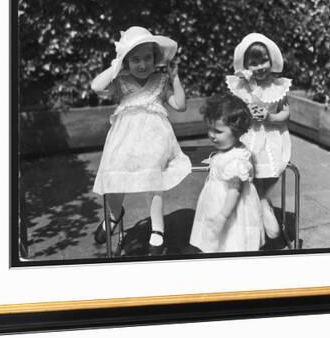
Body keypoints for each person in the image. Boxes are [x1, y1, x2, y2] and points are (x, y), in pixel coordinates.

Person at [91, 26, 192, 255]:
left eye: (147, 58)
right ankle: (115, 215)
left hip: (154, 141)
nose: (143, 64)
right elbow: (96, 86)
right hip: (124, 141)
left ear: (155, 59)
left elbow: (180, 105)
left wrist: (175, 79)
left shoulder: (160, 81)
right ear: (126, 61)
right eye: (135, 59)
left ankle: (158, 229)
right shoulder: (120, 81)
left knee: (153, 180)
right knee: (113, 175)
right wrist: (117, 64)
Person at [225, 33, 292, 240]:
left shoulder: (278, 86)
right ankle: (257, 208)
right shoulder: (241, 86)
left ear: (271, 61)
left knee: (268, 170)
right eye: (253, 63)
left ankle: (262, 201)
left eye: (263, 61)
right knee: (248, 173)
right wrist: (246, 111)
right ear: (245, 66)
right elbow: (234, 112)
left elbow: (285, 112)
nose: (260, 67)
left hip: (270, 135)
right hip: (249, 135)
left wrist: (271, 116)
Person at [189, 94, 265, 253]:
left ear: (236, 132)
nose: (211, 135)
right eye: (209, 129)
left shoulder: (236, 160)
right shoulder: (228, 151)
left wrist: (222, 216)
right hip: (217, 201)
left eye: (217, 131)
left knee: (232, 238)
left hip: (229, 207)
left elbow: (234, 191)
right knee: (219, 241)